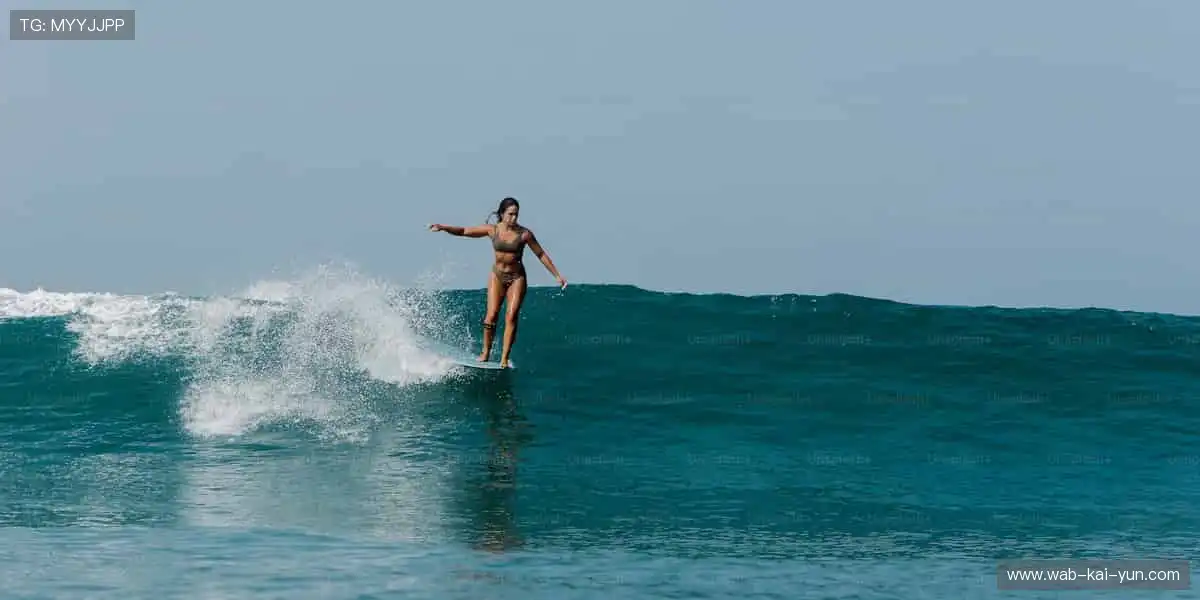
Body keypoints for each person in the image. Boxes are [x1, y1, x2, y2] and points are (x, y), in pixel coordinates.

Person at [429, 197, 566, 368]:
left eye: (516, 215)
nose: (514, 218)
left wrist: (557, 275)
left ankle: (504, 358)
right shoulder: (492, 230)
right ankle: (485, 352)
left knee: (511, 315)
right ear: (502, 214)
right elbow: (465, 230)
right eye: (510, 214)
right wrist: (444, 227)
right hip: (497, 276)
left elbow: (541, 254)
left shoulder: (524, 234)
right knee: (491, 316)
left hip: (517, 278)